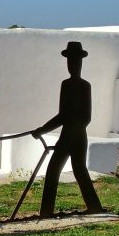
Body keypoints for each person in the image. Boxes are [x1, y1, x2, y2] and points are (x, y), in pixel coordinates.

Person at [32, 41, 104, 216]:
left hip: (74, 136)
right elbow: (64, 115)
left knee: (60, 170)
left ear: (80, 63)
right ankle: (91, 207)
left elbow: (79, 117)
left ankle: (48, 211)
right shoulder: (67, 84)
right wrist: (44, 129)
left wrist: (43, 130)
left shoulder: (83, 86)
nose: (72, 65)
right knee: (71, 170)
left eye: (75, 61)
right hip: (74, 135)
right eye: (70, 61)